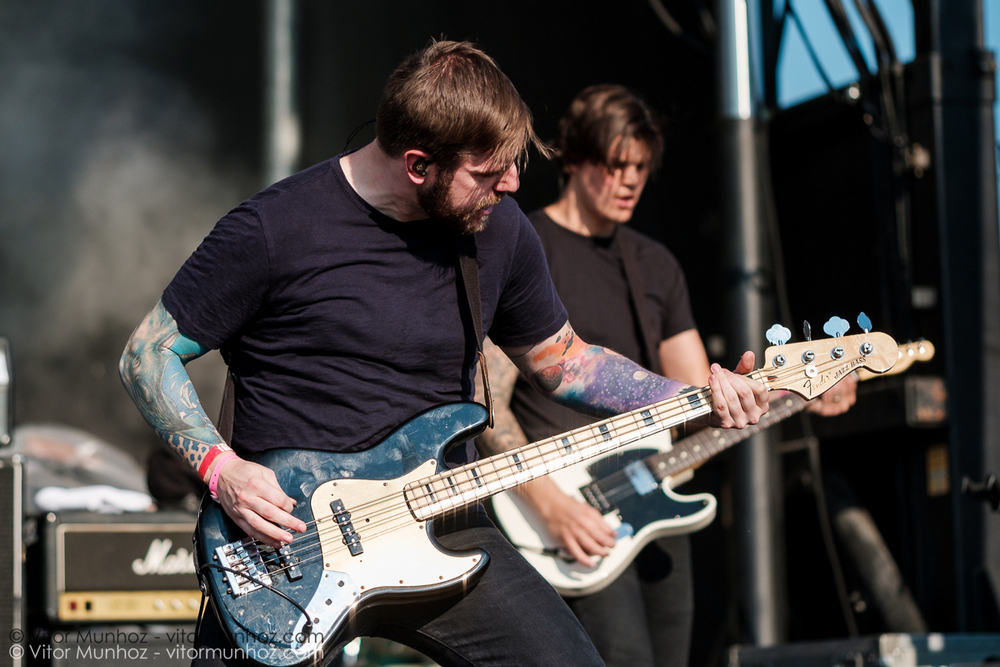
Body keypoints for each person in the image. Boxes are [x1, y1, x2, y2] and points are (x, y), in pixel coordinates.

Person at [119, 43, 770, 667]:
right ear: (418, 164)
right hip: (285, 542)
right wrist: (222, 470)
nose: (512, 185)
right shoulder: (273, 229)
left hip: (445, 518)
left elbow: (566, 361)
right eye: (489, 173)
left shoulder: (499, 229)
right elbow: (147, 355)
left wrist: (694, 397)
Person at [476, 84, 857, 667]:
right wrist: (550, 505)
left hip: (652, 500)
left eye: (641, 168)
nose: (630, 180)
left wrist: (793, 391)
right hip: (556, 509)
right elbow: (489, 406)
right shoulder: (530, 247)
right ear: (574, 159)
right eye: (615, 164)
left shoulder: (654, 265)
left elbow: (698, 399)